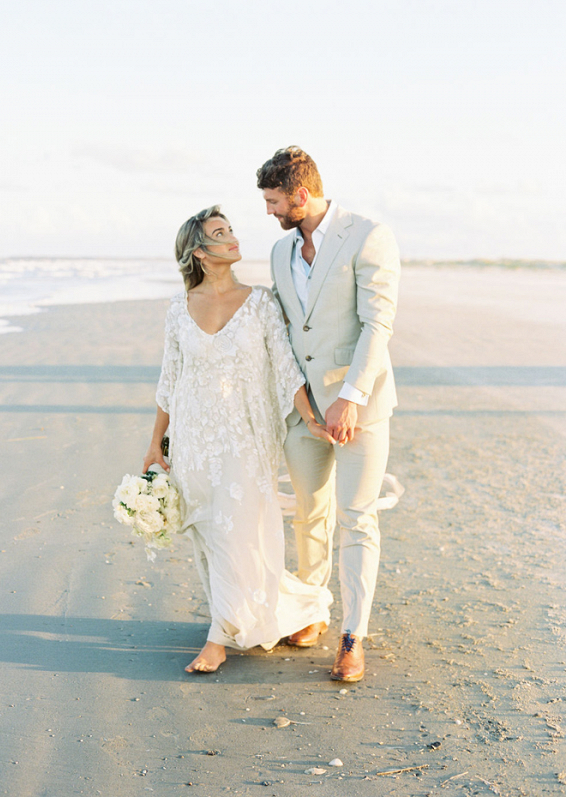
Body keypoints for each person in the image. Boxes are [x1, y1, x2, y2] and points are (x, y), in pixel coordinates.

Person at [142, 205, 334, 674]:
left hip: (243, 441)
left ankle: (219, 639)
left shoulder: (261, 302)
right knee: (209, 534)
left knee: (241, 534)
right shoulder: (178, 308)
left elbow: (286, 367)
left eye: (230, 230)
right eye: (219, 233)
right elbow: (171, 380)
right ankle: (244, 616)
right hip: (192, 439)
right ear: (200, 253)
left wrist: (311, 416)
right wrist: (156, 445)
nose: (232, 238)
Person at [257, 147, 401, 682]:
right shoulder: (279, 251)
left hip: (359, 405)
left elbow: (377, 325)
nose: (269, 211)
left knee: (357, 518)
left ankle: (351, 636)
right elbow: (285, 328)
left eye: (274, 201)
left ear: (300, 194)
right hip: (303, 411)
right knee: (308, 514)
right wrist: (300, 399)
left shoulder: (368, 235)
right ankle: (311, 610)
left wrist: (351, 398)